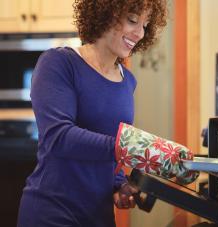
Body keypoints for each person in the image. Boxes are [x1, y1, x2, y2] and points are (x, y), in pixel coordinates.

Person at [17, 0, 167, 226]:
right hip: (52, 211)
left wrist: (119, 183)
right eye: (133, 20)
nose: (139, 33)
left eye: (145, 25)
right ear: (106, 13)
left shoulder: (128, 81)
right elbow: (58, 136)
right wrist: (128, 147)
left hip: (99, 216)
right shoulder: (59, 63)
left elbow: (108, 150)